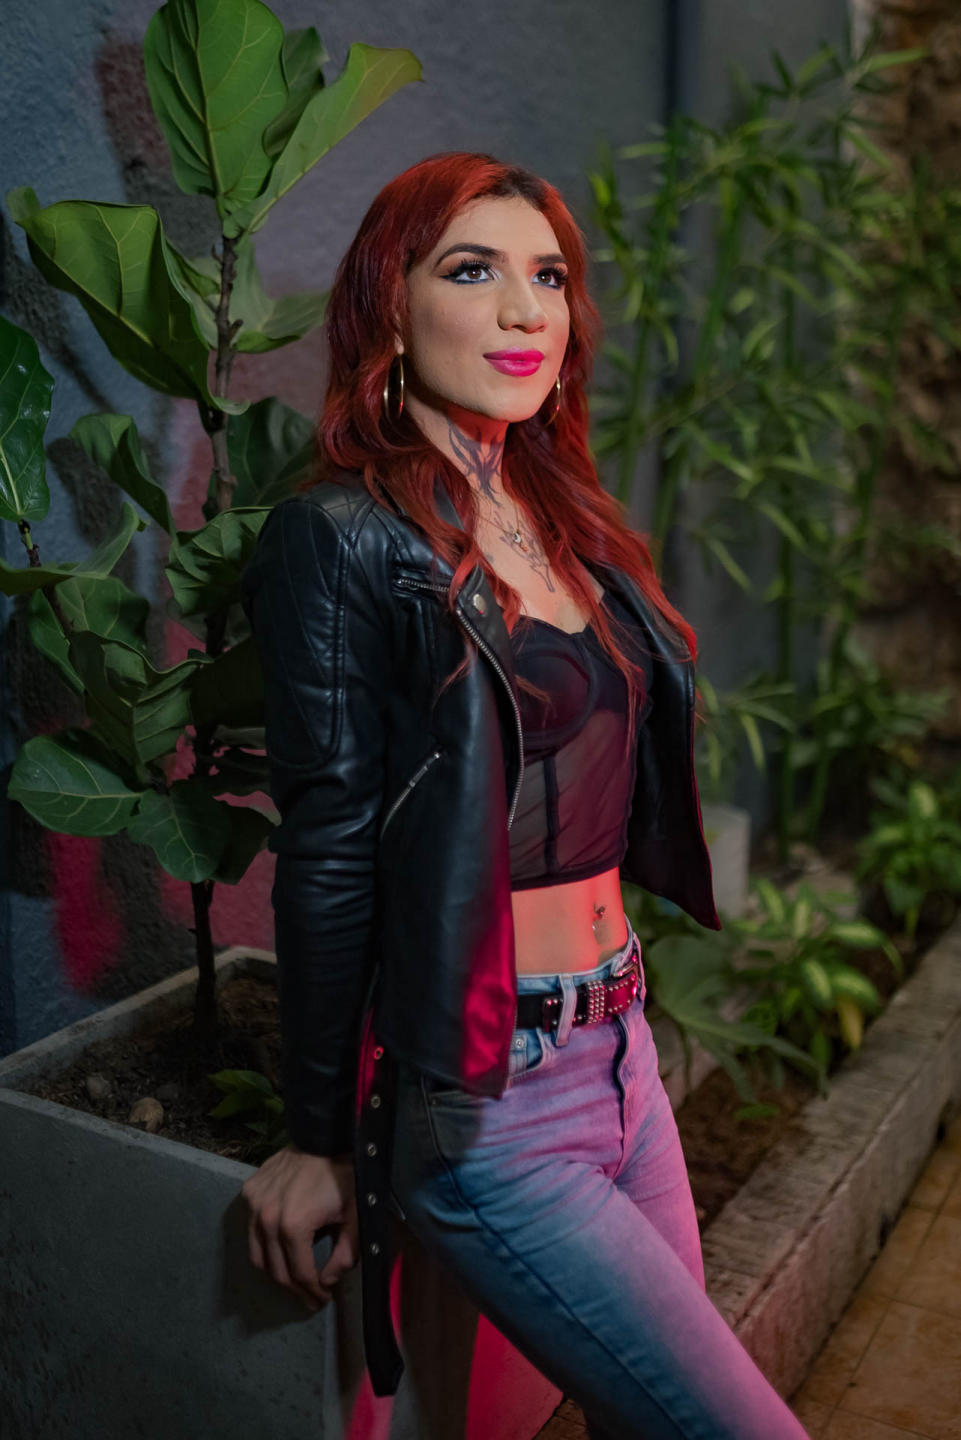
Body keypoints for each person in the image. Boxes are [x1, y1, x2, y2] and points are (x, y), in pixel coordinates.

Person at [238, 151, 811, 1439]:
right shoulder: (340, 537)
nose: (523, 309)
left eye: (547, 277)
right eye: (471, 270)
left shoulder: (560, 516)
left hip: (624, 1053)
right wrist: (317, 1135)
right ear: (390, 311)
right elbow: (328, 846)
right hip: (494, 1100)